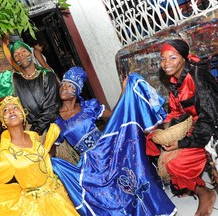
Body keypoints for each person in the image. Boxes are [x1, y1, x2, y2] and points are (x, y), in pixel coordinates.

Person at [51, 66, 177, 215]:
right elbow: (53, 147)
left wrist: (124, 92)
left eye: (70, 85)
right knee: (109, 196)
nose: (64, 88)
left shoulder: (89, 107)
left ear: (77, 90)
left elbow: (116, 116)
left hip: (108, 149)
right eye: (63, 84)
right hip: (91, 162)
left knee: (132, 179)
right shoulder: (57, 120)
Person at [146, 39, 218, 216]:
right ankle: (185, 183)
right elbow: (175, 110)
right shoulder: (175, 80)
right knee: (151, 142)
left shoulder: (198, 77)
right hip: (193, 127)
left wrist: (181, 143)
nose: (166, 63)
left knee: (174, 162)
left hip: (209, 133)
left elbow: (209, 120)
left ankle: (205, 193)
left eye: (172, 58)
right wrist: (164, 129)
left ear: (184, 58)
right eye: (162, 59)